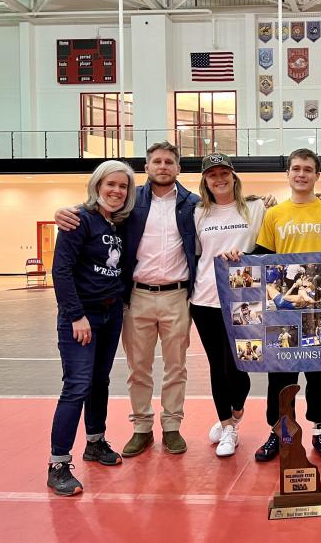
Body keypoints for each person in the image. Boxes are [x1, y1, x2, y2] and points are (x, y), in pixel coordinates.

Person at [56, 141, 199, 457]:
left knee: (176, 367)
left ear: (178, 168)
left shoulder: (193, 204)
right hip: (137, 296)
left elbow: (224, 211)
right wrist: (63, 211)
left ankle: (172, 426)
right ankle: (142, 428)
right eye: (157, 161)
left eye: (169, 162)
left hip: (176, 296)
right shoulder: (130, 203)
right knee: (139, 368)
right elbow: (95, 211)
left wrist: (261, 202)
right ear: (146, 167)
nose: (163, 167)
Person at [227, 148, 321, 462]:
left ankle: (320, 433)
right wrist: (238, 259)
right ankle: (280, 432)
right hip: (283, 310)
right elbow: (262, 257)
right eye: (296, 168)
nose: (301, 174)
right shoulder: (275, 215)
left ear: (317, 175)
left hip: (320, 309)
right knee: (281, 375)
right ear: (288, 174)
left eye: (308, 169)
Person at [47, 160, 136, 496]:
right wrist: (76, 316)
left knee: (100, 382)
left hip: (111, 314)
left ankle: (95, 442)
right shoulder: (78, 220)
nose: (116, 190)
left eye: (123, 186)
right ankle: (58, 464)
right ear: (97, 185)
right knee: (77, 386)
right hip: (82, 317)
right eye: (110, 184)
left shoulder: (117, 224)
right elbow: (61, 271)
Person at [191, 153, 266, 457]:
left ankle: (235, 412)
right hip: (204, 298)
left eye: (224, 173)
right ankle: (227, 427)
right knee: (216, 365)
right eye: (212, 175)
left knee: (238, 364)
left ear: (234, 176)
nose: (219, 179)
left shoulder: (256, 207)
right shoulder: (198, 213)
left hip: (244, 299)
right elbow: (197, 254)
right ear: (205, 181)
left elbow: (268, 242)